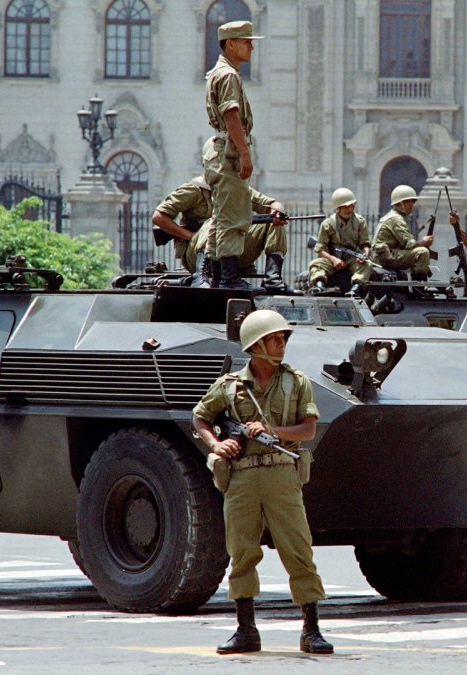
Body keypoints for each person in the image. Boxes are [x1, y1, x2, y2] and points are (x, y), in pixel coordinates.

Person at [192, 310, 333, 656]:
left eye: (283, 338)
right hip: (241, 476)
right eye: (274, 338)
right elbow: (200, 416)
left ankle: (311, 629)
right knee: (241, 552)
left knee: (298, 551)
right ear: (255, 345)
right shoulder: (229, 386)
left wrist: (272, 432)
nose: (281, 343)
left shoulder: (296, 381)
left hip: (282, 473)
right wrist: (216, 444)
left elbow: (308, 429)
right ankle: (245, 630)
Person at [152, 167, 288, 288]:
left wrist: (278, 211)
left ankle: (272, 279)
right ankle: (200, 277)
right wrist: (190, 236)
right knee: (217, 220)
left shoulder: (237, 189)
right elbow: (158, 217)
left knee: (273, 219)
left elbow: (272, 204)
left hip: (231, 253)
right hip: (197, 255)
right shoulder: (195, 189)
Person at [204, 20, 264, 290]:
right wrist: (245, 153)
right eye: (246, 41)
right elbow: (231, 114)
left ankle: (217, 275)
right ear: (230, 44)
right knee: (234, 215)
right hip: (229, 153)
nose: (251, 46)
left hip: (220, 150)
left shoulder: (218, 72)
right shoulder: (228, 75)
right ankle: (228, 278)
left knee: (221, 215)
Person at [309, 188, 372, 295]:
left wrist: (365, 255)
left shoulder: (360, 221)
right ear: (339, 208)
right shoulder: (328, 224)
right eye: (347, 206)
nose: (350, 209)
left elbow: (364, 243)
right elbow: (320, 249)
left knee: (367, 265)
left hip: (352, 258)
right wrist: (333, 259)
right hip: (334, 258)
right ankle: (319, 286)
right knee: (315, 264)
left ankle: (356, 288)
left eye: (352, 205)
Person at [373, 185, 433, 280]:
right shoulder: (396, 218)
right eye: (409, 202)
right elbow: (408, 243)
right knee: (422, 252)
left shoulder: (395, 216)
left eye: (413, 202)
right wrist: (423, 243)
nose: (412, 205)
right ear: (401, 203)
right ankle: (419, 288)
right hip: (387, 257)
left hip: (386, 255)